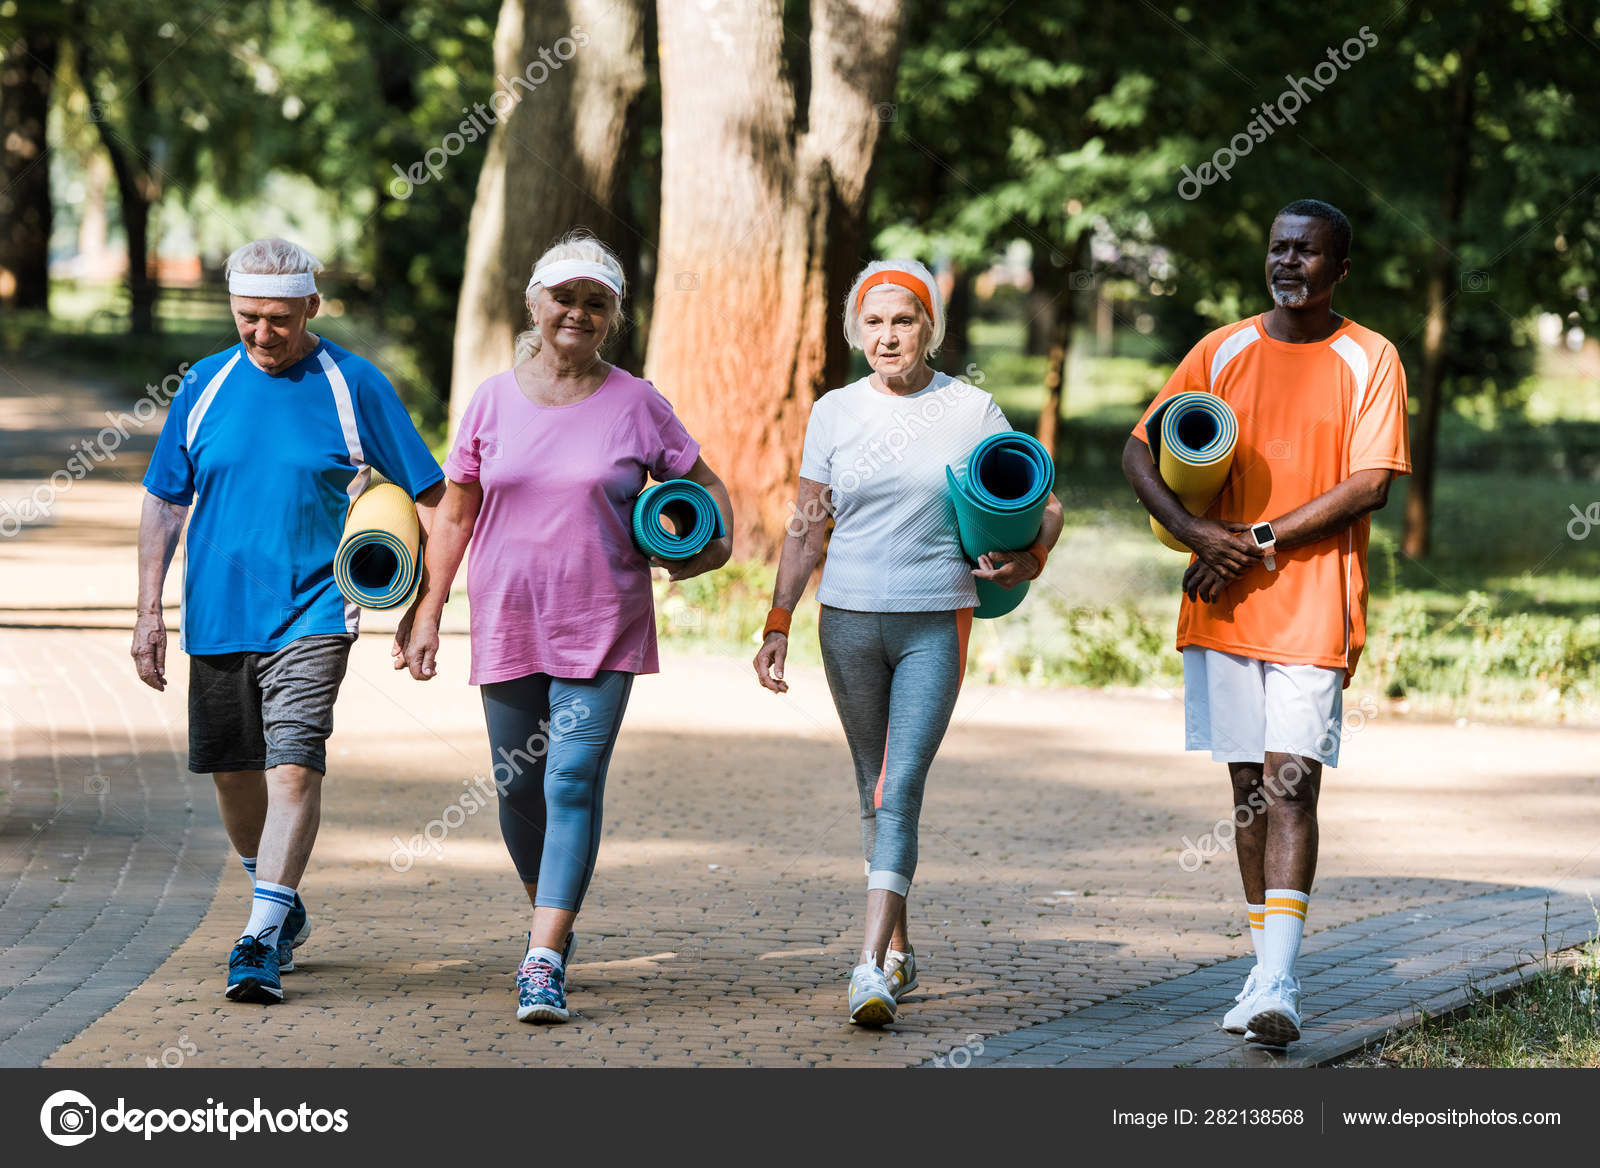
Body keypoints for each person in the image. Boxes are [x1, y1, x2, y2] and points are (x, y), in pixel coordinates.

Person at [401, 231, 733, 1024]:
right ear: (535, 304)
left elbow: (706, 487)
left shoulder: (637, 402)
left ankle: (543, 956)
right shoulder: (489, 400)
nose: (577, 313)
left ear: (612, 316)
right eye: (565, 298)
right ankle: (549, 915)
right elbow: (457, 510)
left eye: (596, 303)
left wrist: (709, 549)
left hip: (602, 620)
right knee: (518, 787)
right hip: (507, 618)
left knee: (570, 780)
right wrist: (429, 606)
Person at [1122, 199, 1410, 1046]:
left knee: (1293, 783)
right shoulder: (1222, 349)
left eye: (1308, 251)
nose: (1290, 262)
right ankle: (1262, 972)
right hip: (1222, 605)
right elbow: (1140, 450)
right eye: (1279, 247)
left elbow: (1371, 483)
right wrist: (1196, 533)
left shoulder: (1372, 357)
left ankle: (1281, 981)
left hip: (1313, 605)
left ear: (1340, 269)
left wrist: (1252, 538)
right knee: (1248, 791)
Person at [753, 258, 1064, 1027]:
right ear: (857, 331)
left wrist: (1031, 558)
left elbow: (1043, 500)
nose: (889, 336)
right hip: (848, 621)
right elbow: (805, 527)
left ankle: (866, 969)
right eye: (874, 322)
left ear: (930, 328)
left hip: (937, 618)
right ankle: (895, 948)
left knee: (900, 787)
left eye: (904, 320)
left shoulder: (972, 409)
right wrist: (778, 620)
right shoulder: (833, 412)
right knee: (873, 785)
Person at [133, 237, 445, 1004]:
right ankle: (279, 896)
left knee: (294, 765)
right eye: (247, 318)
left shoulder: (353, 383)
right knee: (235, 777)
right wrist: (147, 611)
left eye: (279, 319)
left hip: (314, 609)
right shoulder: (203, 384)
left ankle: (258, 938)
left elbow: (434, 494)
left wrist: (422, 603)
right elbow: (166, 500)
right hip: (215, 613)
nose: (263, 334)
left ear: (312, 305)